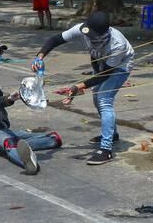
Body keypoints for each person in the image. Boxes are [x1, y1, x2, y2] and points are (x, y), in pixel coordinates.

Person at [34, 11, 133, 165]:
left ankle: (106, 150)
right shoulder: (83, 29)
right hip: (100, 63)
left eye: (92, 34)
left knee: (104, 99)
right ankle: (112, 135)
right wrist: (39, 57)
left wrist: (77, 87)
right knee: (96, 96)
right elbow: (55, 39)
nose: (88, 36)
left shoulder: (117, 44)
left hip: (119, 67)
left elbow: (103, 76)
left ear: (103, 34)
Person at [0, 49, 63, 175]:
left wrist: (15, 96)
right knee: (10, 142)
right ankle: (29, 163)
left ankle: (51, 140)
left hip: (1, 127)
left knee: (25, 138)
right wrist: (8, 99)